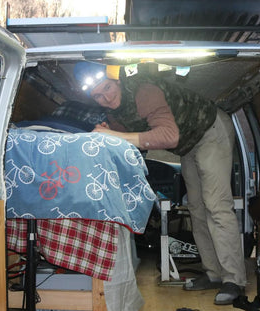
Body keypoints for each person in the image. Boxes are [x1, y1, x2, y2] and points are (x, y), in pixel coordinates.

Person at [73, 61, 247, 305]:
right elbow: (121, 141)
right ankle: (214, 274)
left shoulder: (144, 91)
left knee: (216, 204)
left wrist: (115, 134)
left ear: (118, 81)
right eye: (98, 96)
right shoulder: (116, 113)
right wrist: (107, 132)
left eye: (107, 88)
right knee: (196, 208)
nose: (105, 98)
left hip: (209, 129)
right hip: (188, 145)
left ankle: (234, 280)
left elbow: (168, 135)